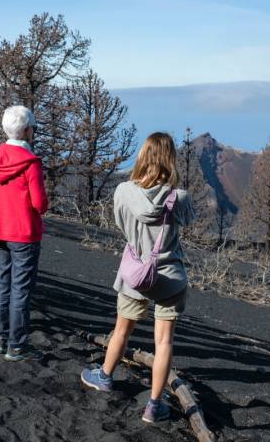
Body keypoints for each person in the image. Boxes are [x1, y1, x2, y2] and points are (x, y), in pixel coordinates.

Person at [80, 132, 196, 424]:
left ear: (143, 156)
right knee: (164, 342)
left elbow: (122, 225)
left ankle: (105, 376)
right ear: (170, 159)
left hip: (134, 274)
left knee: (122, 330)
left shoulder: (123, 191)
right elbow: (188, 221)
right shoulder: (178, 197)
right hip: (169, 276)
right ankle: (154, 406)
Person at [0, 106, 48, 361]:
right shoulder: (30, 163)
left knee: (1, 283)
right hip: (23, 232)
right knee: (20, 288)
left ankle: (1, 337)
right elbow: (39, 204)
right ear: (28, 130)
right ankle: (16, 344)